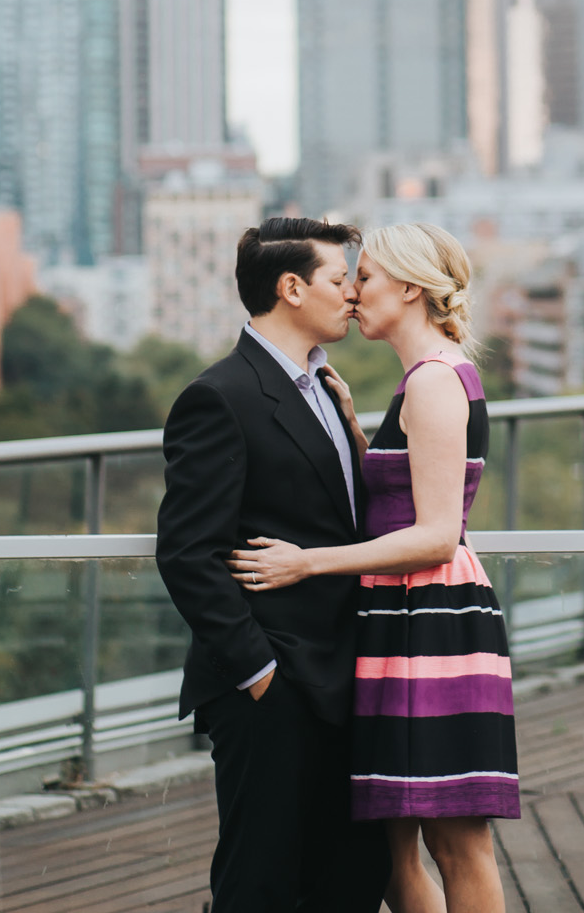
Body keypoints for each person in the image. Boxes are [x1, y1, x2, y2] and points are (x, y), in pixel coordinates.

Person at [228, 221, 518, 913]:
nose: (353, 292)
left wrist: (307, 564)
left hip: (434, 622)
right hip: (398, 621)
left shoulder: (434, 382)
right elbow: (400, 498)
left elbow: (436, 535)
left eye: (367, 277)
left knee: (455, 843)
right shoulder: (419, 382)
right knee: (389, 845)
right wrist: (358, 433)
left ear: (410, 288)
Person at [155, 215, 391, 913]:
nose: (352, 293)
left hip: (347, 677)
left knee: (351, 878)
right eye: (338, 278)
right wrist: (260, 675)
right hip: (273, 688)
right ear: (291, 287)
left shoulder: (326, 388)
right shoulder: (219, 396)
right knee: (259, 883)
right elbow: (187, 552)